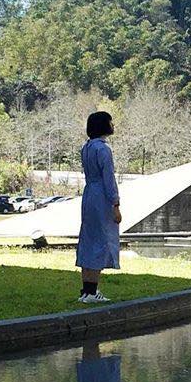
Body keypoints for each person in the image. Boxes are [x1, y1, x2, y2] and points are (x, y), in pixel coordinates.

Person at [75, 110, 122, 303]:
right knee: (101, 241)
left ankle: (86, 290)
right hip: (101, 195)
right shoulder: (103, 149)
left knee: (88, 239)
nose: (113, 125)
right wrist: (115, 204)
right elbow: (109, 178)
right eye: (110, 122)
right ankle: (93, 291)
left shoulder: (86, 148)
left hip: (89, 194)